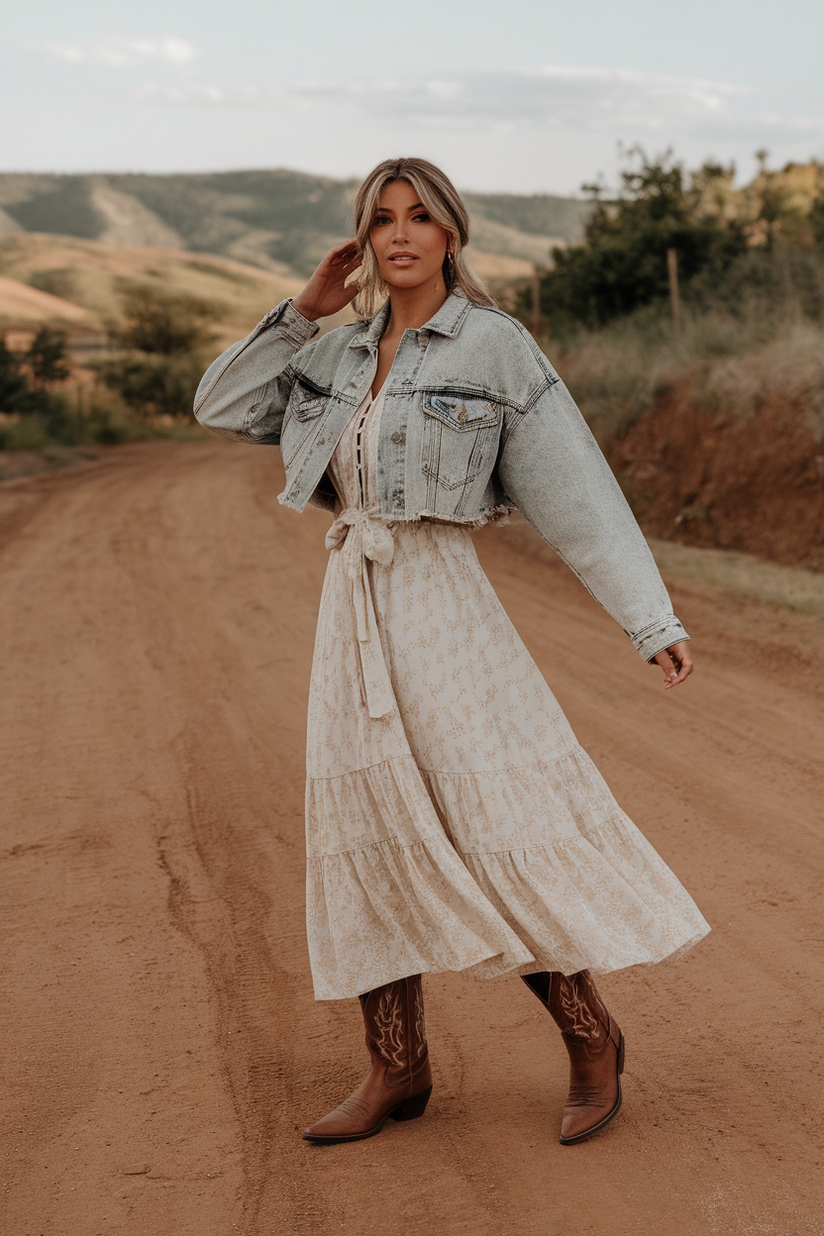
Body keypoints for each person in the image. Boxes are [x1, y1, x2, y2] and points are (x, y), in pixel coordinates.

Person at [194, 156, 710, 1148]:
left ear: (450, 234)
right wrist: (303, 307)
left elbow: (579, 497)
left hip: (443, 600)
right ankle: (396, 1065)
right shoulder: (335, 357)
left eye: (417, 217)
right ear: (362, 240)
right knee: (364, 820)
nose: (398, 234)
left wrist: (650, 622)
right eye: (380, 219)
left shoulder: (494, 347)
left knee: (487, 816)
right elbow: (221, 403)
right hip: (352, 600)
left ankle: (590, 1037)